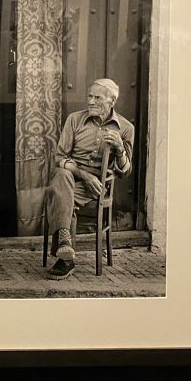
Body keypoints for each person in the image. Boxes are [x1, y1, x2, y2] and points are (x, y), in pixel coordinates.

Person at [45, 78, 135, 279]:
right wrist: (83, 175)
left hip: (97, 185)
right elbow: (60, 157)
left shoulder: (126, 128)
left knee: (60, 195)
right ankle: (65, 247)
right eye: (90, 96)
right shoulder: (75, 119)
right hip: (71, 178)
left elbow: (125, 171)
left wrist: (120, 148)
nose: (91, 101)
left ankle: (65, 257)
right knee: (62, 175)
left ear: (112, 101)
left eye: (97, 98)